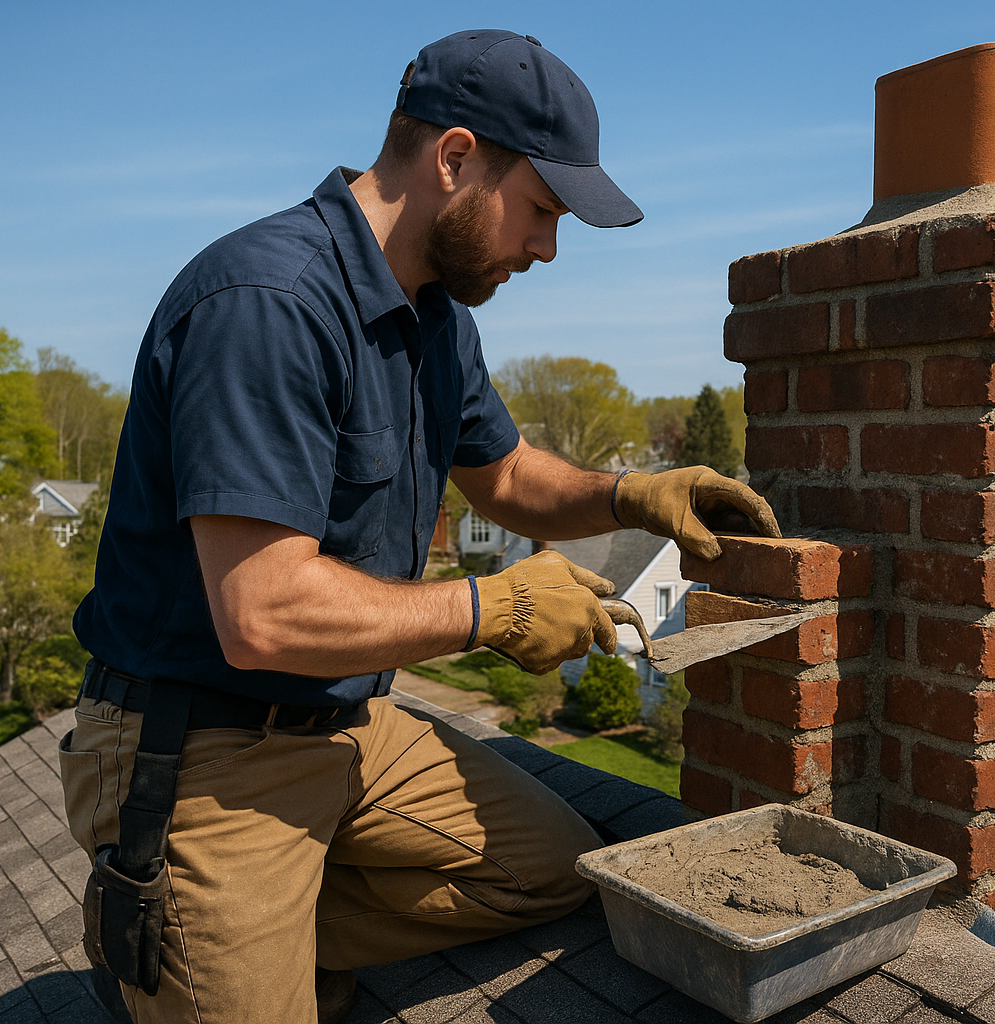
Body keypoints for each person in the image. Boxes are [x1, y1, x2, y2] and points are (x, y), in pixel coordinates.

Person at [58, 29, 779, 1024]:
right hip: (202, 751)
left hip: (346, 725)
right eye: (542, 209)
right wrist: (494, 607)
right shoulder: (269, 304)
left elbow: (508, 476)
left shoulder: (435, 318)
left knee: (554, 871)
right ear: (455, 157)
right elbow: (261, 613)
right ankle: (168, 933)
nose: (547, 247)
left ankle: (248, 933)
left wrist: (633, 493)